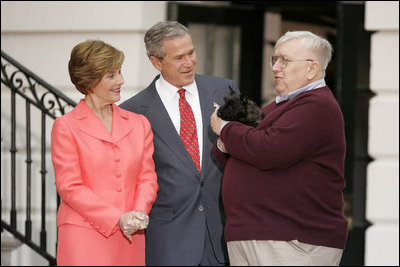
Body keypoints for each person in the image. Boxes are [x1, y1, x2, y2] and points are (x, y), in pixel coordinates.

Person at [210, 31, 348, 266]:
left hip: (292, 240)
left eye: (284, 60)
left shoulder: (317, 105)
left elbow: (268, 149)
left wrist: (225, 129)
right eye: (274, 59)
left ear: (311, 69)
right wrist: (228, 143)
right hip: (261, 236)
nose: (275, 67)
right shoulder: (277, 107)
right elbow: (244, 155)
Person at [119, 21, 239, 266]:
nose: (189, 62)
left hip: (225, 237)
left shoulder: (224, 89)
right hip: (168, 243)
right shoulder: (133, 112)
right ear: (156, 62)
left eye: (191, 53)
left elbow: (247, 148)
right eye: (178, 57)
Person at [51, 40, 158, 266]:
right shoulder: (66, 126)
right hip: (83, 236)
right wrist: (116, 218)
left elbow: (147, 178)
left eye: (119, 72)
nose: (121, 80)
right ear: (90, 80)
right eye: (111, 75)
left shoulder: (139, 124)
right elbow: (70, 187)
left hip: (130, 236)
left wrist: (137, 214)